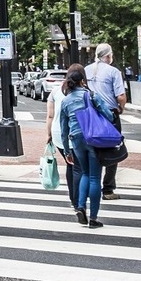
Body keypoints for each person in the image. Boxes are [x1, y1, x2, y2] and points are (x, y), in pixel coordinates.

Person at [59, 64, 115, 229]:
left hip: (75, 139)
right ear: (82, 81)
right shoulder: (90, 95)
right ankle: (94, 217)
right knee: (94, 178)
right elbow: (109, 115)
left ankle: (80, 206)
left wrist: (67, 150)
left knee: (84, 172)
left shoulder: (65, 101)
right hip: (93, 138)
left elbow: (64, 129)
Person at [85, 44, 127, 201]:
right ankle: (108, 188)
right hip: (110, 115)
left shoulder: (87, 70)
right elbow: (121, 96)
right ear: (108, 56)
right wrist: (121, 108)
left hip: (91, 115)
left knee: (92, 149)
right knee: (112, 150)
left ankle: (91, 184)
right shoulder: (114, 72)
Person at [43, 72, 76, 209]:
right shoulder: (85, 92)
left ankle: (73, 197)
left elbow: (50, 115)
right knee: (79, 167)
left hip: (58, 134)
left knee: (70, 165)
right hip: (77, 133)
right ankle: (78, 199)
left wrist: (48, 134)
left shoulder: (55, 91)